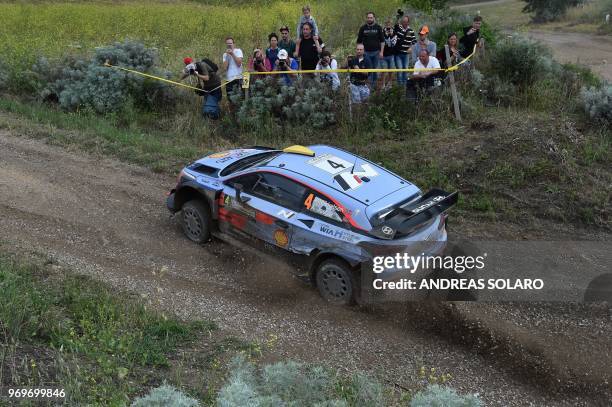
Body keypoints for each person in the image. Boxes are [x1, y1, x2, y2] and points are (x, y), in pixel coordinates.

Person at [356, 12, 384, 88]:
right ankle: (368, 86)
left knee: (374, 69)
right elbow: (359, 41)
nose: (369, 19)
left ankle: (374, 86)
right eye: (368, 17)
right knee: (368, 69)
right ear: (366, 18)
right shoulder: (362, 28)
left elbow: (382, 41)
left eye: (371, 17)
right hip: (366, 53)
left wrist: (381, 52)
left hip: (376, 52)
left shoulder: (378, 27)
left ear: (374, 18)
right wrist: (359, 52)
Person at [394, 14, 417, 85]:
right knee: (400, 69)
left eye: (405, 21)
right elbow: (395, 25)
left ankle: (404, 85)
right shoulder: (398, 29)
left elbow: (414, 42)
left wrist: (411, 48)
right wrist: (398, 16)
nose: (404, 23)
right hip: (398, 53)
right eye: (403, 21)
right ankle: (399, 85)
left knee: (405, 69)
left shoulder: (411, 31)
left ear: (408, 22)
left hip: (406, 54)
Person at [381, 19, 397, 89]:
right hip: (384, 54)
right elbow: (381, 42)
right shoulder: (382, 32)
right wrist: (386, 36)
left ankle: (390, 83)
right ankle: (383, 84)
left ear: (391, 25)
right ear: (385, 24)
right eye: (387, 24)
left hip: (391, 54)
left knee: (391, 70)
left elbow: (393, 44)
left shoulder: (394, 32)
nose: (388, 26)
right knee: (383, 70)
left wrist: (391, 35)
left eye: (389, 24)